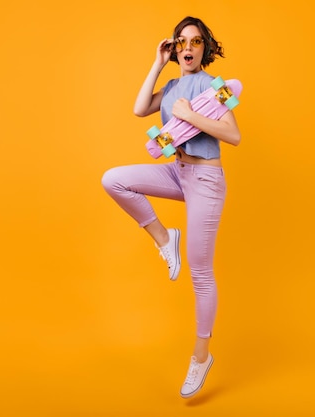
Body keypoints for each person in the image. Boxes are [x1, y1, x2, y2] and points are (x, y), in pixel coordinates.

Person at [101, 16, 241, 399]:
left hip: (207, 181)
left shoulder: (216, 87)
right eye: (182, 42)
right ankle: (165, 238)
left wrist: (190, 116)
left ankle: (200, 357)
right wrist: (157, 63)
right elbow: (139, 108)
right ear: (176, 47)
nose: (188, 48)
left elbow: (234, 134)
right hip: (178, 172)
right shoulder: (173, 85)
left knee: (200, 272)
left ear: (205, 47)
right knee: (114, 179)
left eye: (195, 42)